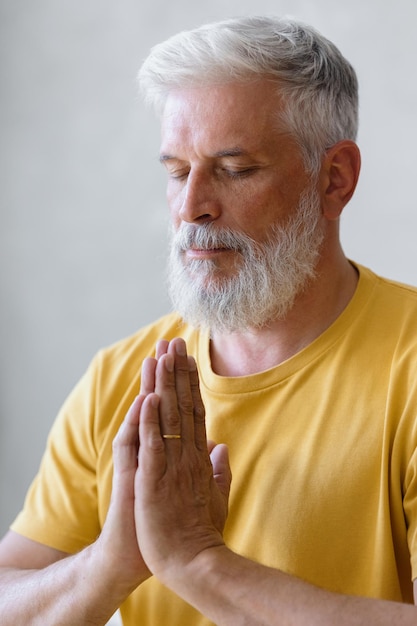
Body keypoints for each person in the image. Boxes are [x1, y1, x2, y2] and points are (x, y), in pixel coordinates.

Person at [0, 15, 416, 625]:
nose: (192, 207)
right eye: (175, 171)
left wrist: (197, 562)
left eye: (235, 168)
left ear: (335, 179)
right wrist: (111, 562)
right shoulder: (121, 377)